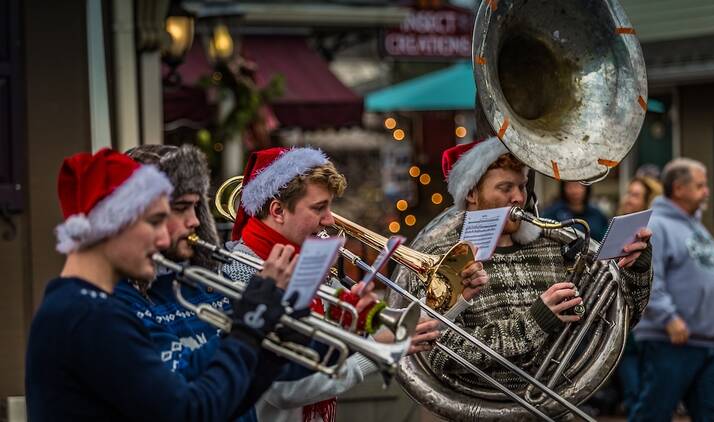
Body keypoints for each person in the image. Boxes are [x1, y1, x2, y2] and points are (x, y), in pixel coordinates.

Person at [224, 146, 488, 421]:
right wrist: (375, 349)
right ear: (277, 210)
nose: (330, 220)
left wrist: (457, 296)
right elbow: (284, 389)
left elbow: (391, 326)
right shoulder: (243, 271)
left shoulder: (300, 257)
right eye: (319, 208)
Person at [25, 148, 289, 420]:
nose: (163, 240)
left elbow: (208, 405)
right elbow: (189, 413)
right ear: (112, 223)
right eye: (154, 222)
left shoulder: (83, 306)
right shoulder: (91, 315)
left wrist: (268, 350)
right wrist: (247, 330)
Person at [390, 137, 653, 393]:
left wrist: (637, 271)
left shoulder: (551, 244)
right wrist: (533, 323)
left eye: (522, 186)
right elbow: (440, 353)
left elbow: (616, 320)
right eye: (505, 188)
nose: (519, 197)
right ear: (471, 192)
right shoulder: (440, 257)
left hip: (558, 403)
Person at [631, 158, 714, 421]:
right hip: (671, 341)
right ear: (678, 188)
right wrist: (669, 318)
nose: (707, 192)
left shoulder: (696, 226)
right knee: (653, 414)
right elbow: (650, 277)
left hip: (709, 343)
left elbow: (700, 269)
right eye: (700, 186)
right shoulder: (657, 226)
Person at [614, 174, 663, 417]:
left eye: (635, 195)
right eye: (628, 193)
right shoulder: (619, 223)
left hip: (653, 316)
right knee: (630, 368)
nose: (628, 199)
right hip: (625, 311)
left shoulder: (654, 230)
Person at [542, 181, 610, 242]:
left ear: (587, 187)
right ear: (563, 187)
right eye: (570, 186)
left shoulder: (598, 214)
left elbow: (607, 238)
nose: (575, 191)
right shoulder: (552, 213)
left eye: (579, 185)